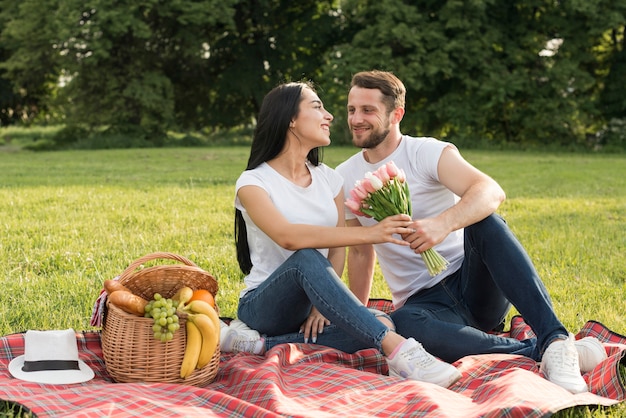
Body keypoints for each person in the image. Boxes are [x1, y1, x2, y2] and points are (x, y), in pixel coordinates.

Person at [335, 70, 607, 394]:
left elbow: (490, 191)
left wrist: (443, 223)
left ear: (397, 114)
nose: (356, 119)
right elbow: (361, 252)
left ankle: (556, 339)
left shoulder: (425, 152)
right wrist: (361, 315)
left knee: (486, 220)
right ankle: (545, 352)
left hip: (474, 285)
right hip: (426, 306)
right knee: (403, 323)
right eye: (352, 110)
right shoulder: (344, 177)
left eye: (368, 110)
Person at [222, 80, 462, 388]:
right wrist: (371, 233)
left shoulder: (329, 179)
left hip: (308, 309)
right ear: (290, 119)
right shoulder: (253, 182)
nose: (331, 115)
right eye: (317, 106)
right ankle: (399, 352)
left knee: (382, 320)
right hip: (265, 306)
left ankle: (255, 345)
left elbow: (336, 249)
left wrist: (322, 306)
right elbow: (289, 238)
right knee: (306, 257)